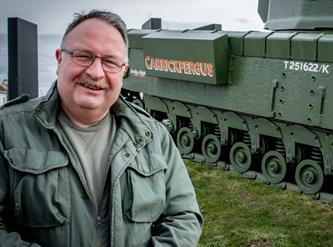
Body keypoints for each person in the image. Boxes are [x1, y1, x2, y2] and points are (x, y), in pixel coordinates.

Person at [0, 10, 203, 246]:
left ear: (123, 71)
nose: (96, 73)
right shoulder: (8, 130)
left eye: (110, 62)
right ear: (59, 59)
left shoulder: (153, 136)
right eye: (83, 56)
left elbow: (184, 216)